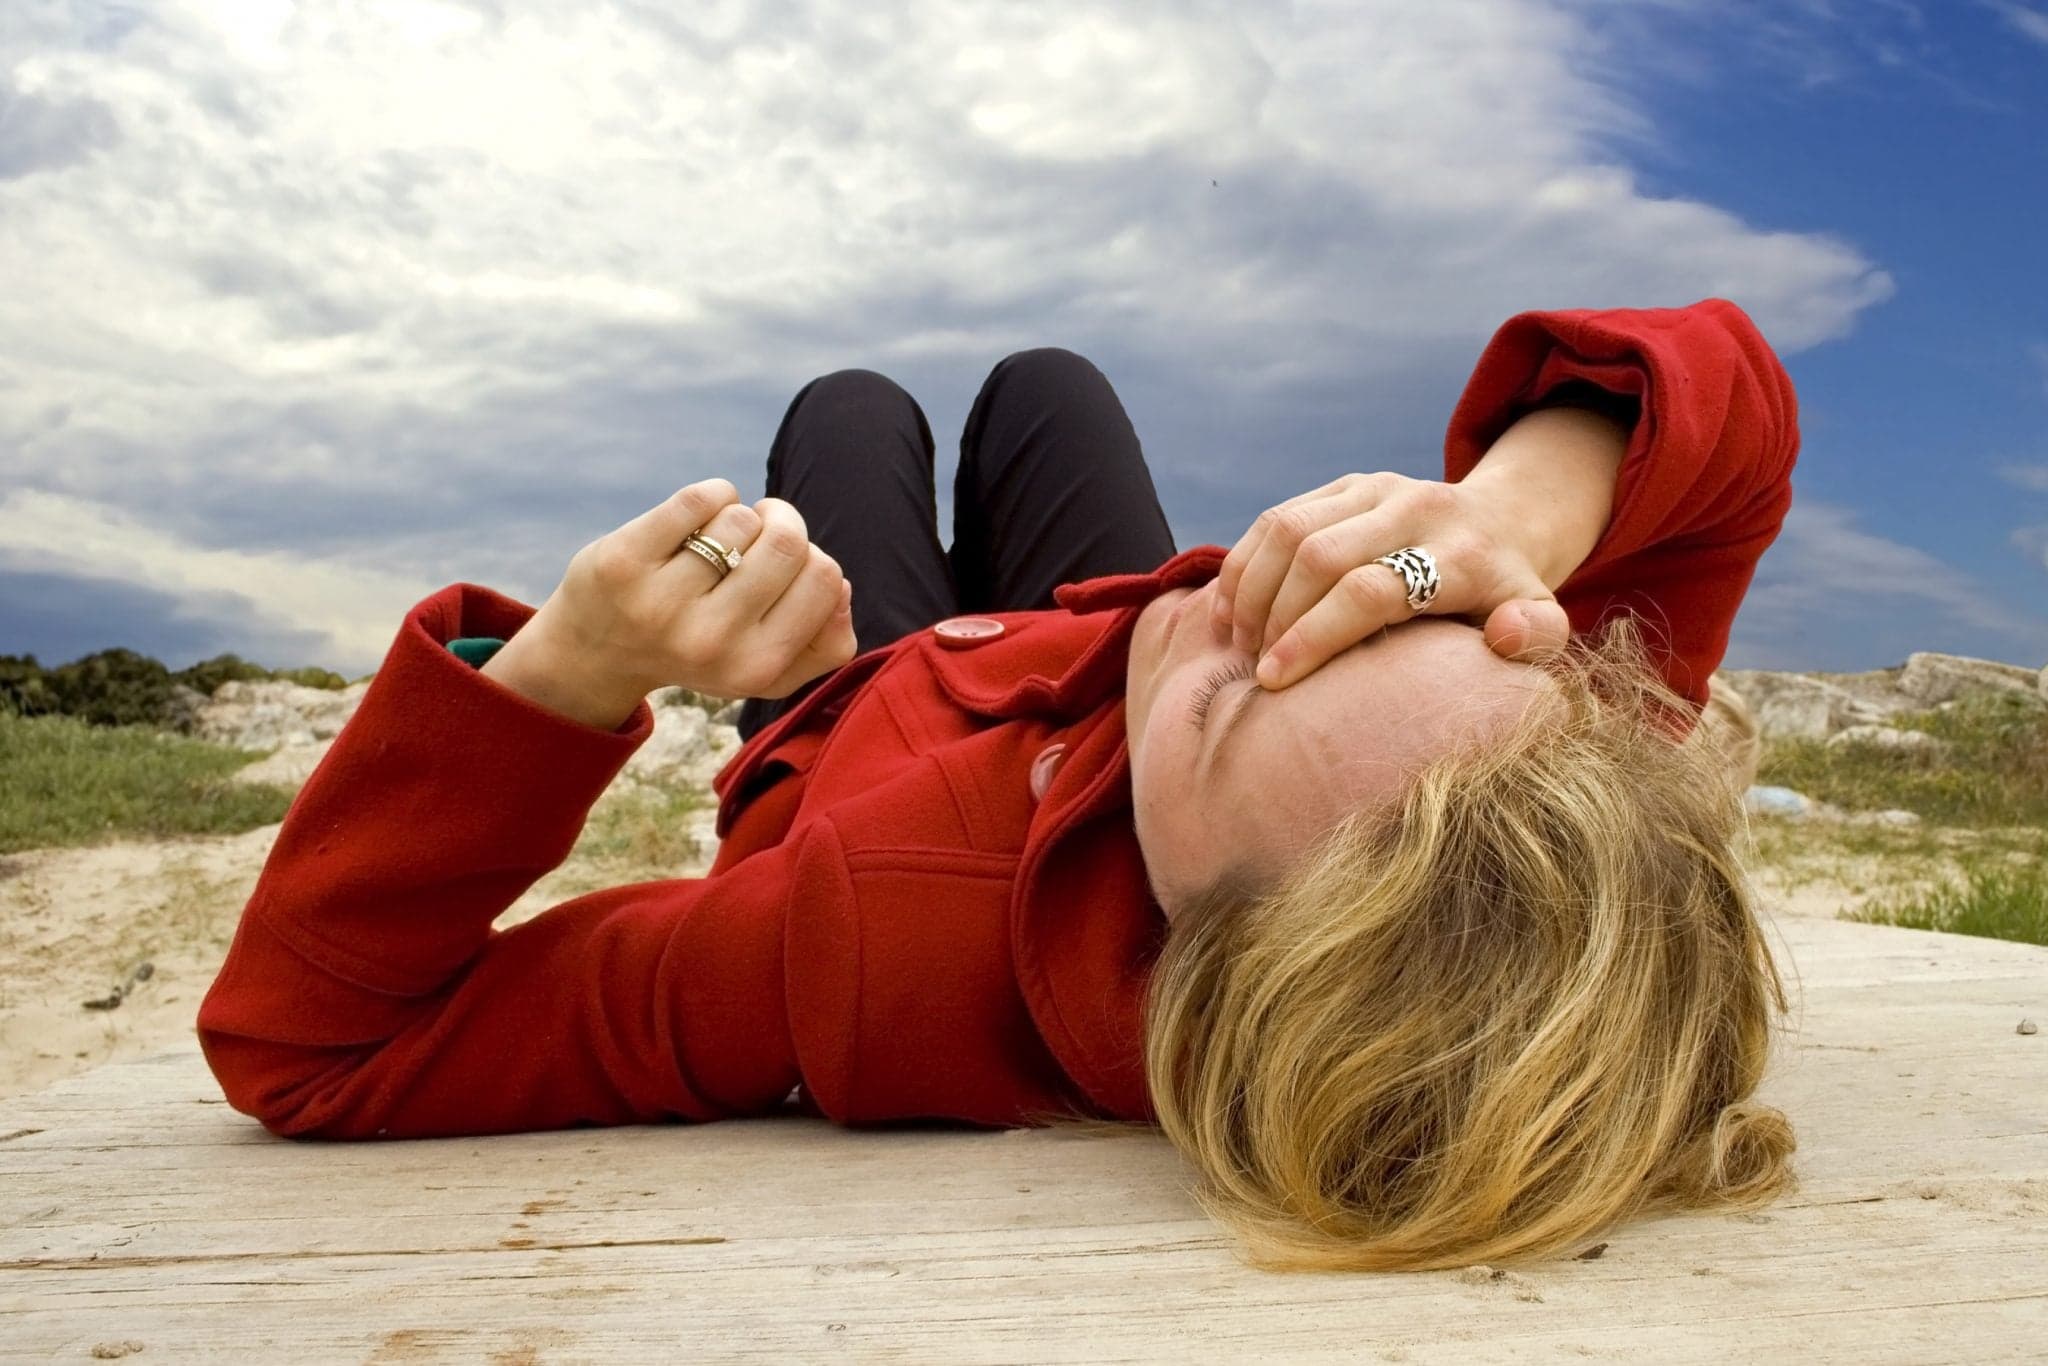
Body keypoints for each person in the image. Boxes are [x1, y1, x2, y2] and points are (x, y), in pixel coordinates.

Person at [196, 298, 1800, 1272]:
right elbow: (1742, 396)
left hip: (859, 719)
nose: (1242, 596)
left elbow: (313, 1045)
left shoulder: (864, 944)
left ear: (1186, 957)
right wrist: (1518, 505)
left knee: (851, 415)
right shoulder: (1526, 775)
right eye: (1374, 610)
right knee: (1051, 383)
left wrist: (564, 675)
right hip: (1071, 645)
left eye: (1245, 686)